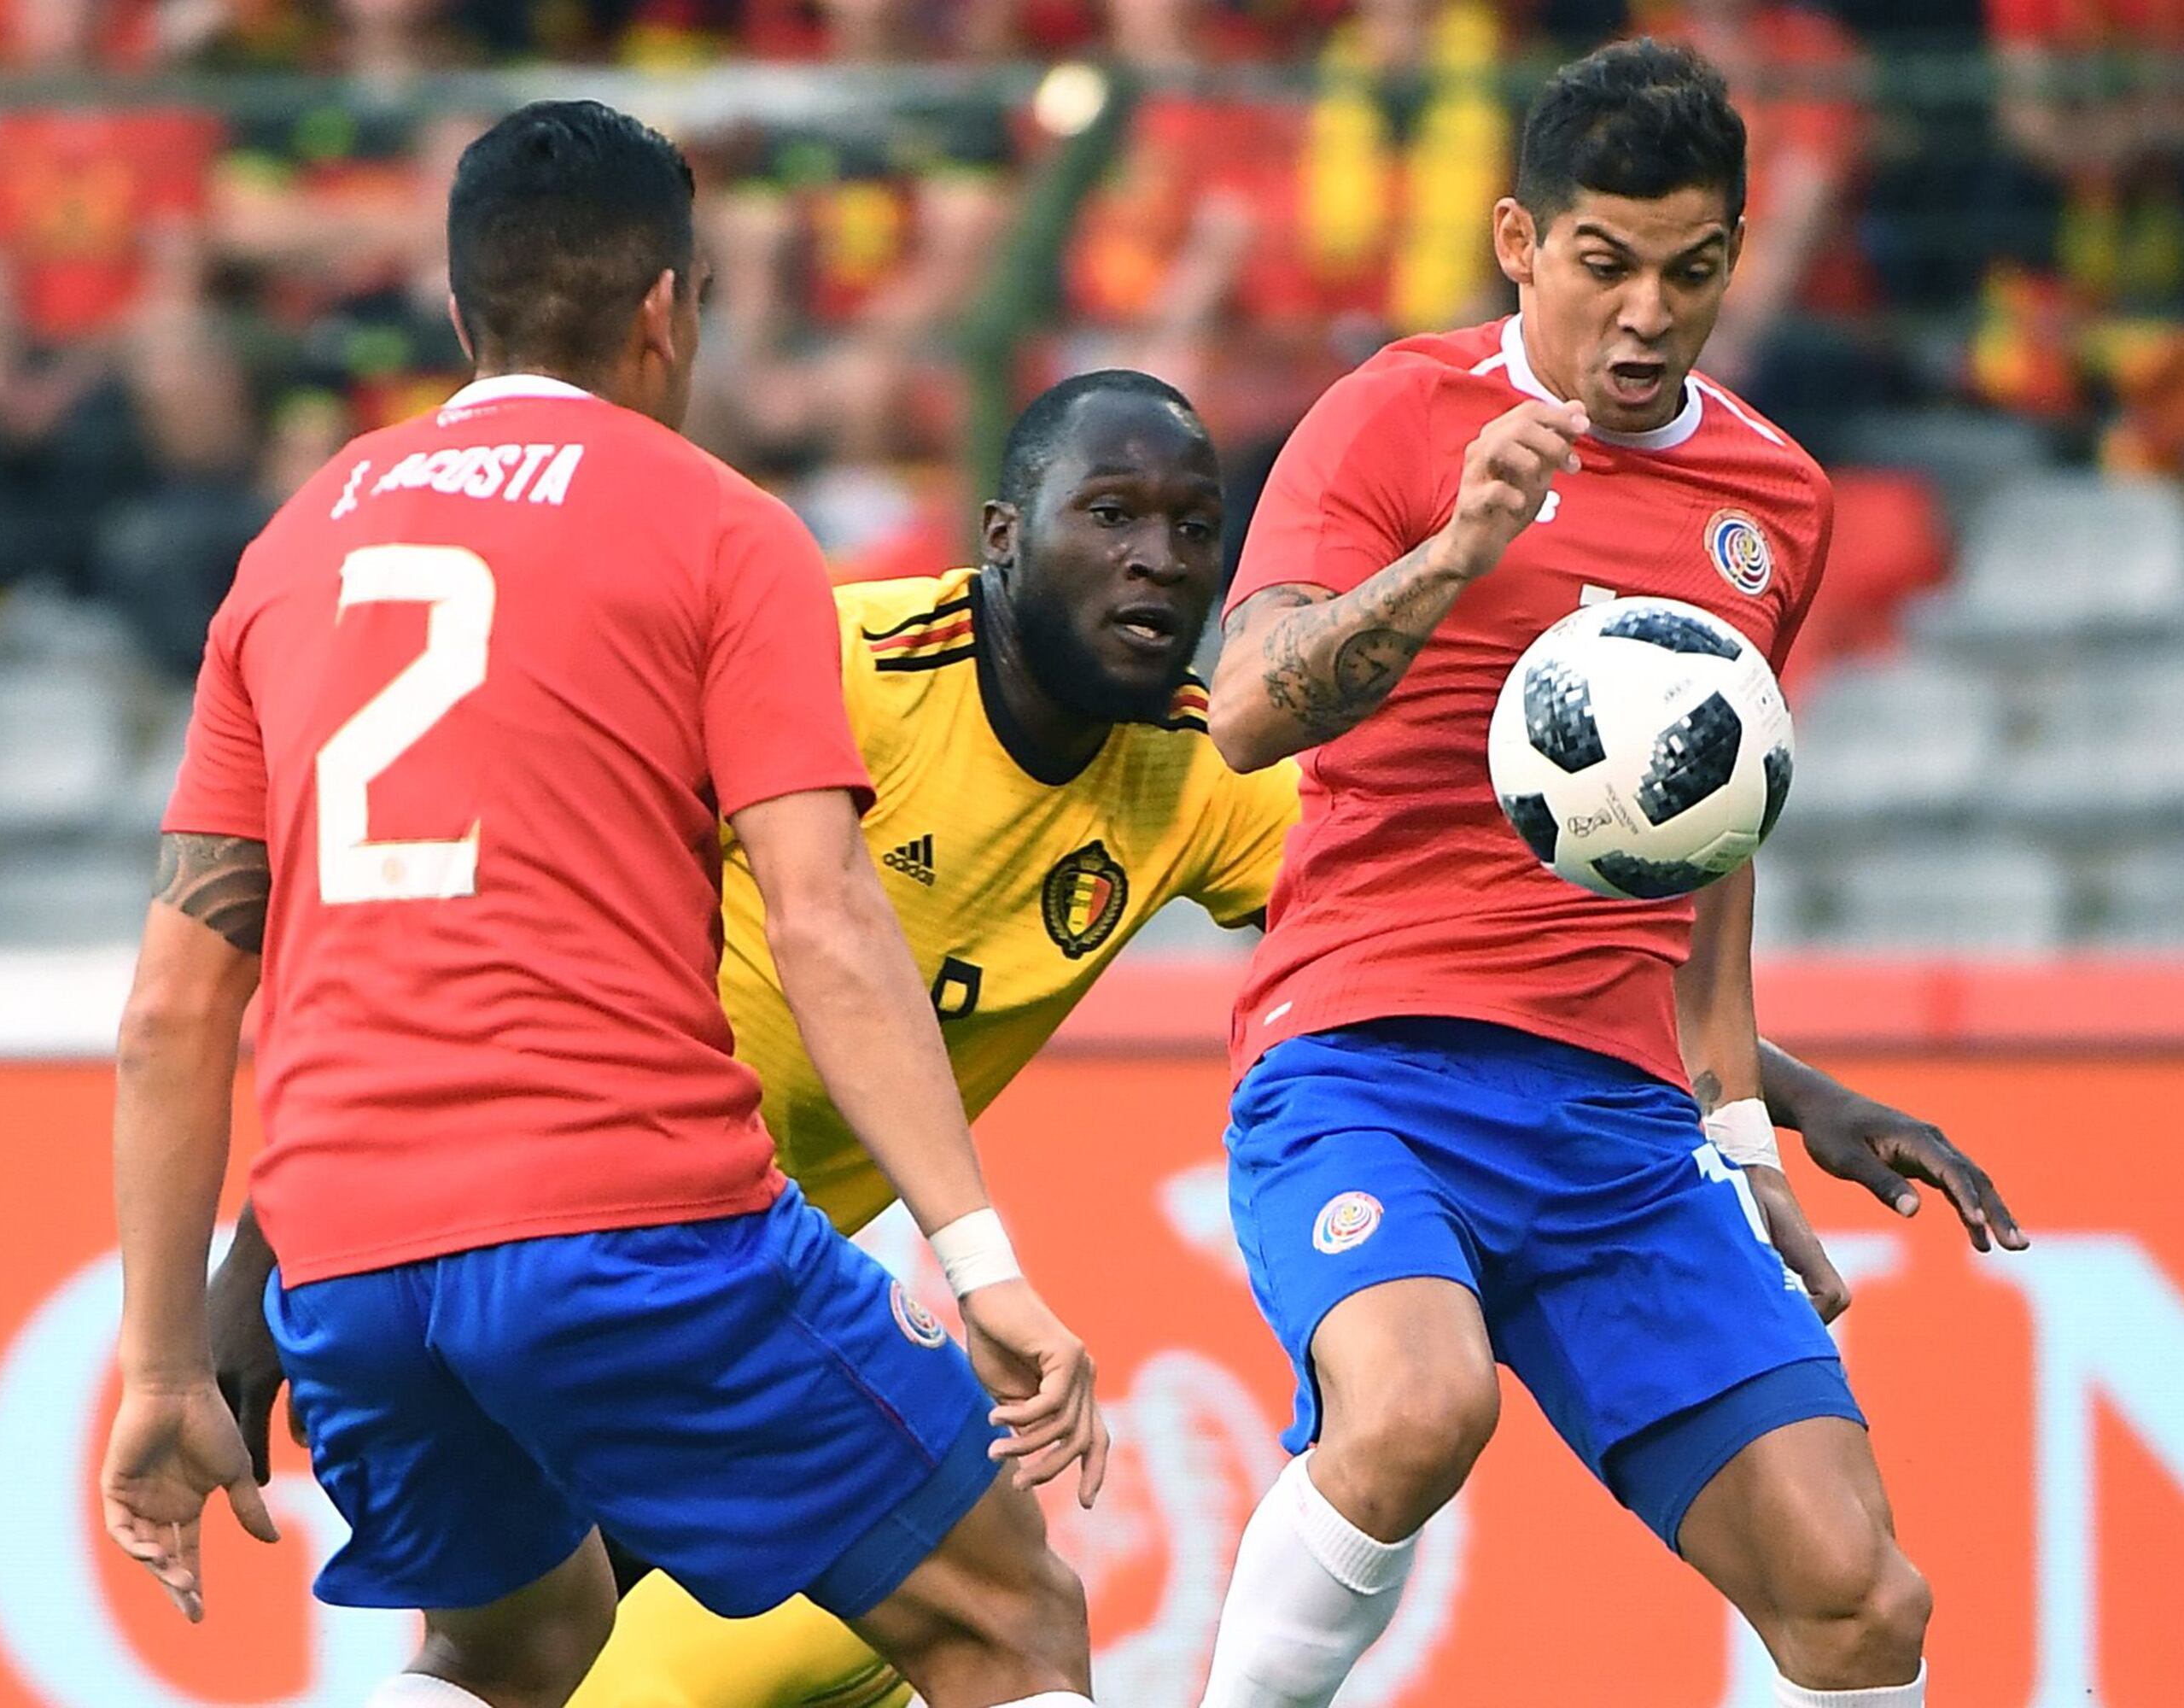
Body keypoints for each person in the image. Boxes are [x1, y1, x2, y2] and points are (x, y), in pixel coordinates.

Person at [207, 366, 2023, 1705]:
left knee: (790, 1642)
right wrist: (243, 1276)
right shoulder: (830, 666)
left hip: (727, 1282)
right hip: (625, 1227)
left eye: (1192, 530)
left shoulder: (1190, 773)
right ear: (1003, 538)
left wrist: (1779, 1090)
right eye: (1110, 518)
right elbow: (446, 923)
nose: (1160, 563)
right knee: (962, 1616)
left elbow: (1444, 942)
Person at [98, 100, 1108, 1708]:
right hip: (629, 1223)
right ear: (666, 308)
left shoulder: (295, 547)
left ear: (460, 313)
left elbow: (171, 1010)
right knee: (1010, 1615)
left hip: (350, 1260)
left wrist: (160, 1363)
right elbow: (824, 920)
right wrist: (979, 1261)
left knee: (514, 1642)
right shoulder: (720, 526)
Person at [1196, 42, 2024, 1708]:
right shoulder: (1391, 417)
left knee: (1861, 1600)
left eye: (1691, 271)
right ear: (1519, 241)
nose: (1647, 316)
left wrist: (1749, 1122)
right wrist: (1455, 553)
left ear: (1737, 255)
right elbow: (1247, 712)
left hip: (1621, 1125)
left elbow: (1710, 840)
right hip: (1366, 1062)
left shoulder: (1774, 499)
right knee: (1417, 1407)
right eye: (1605, 264)